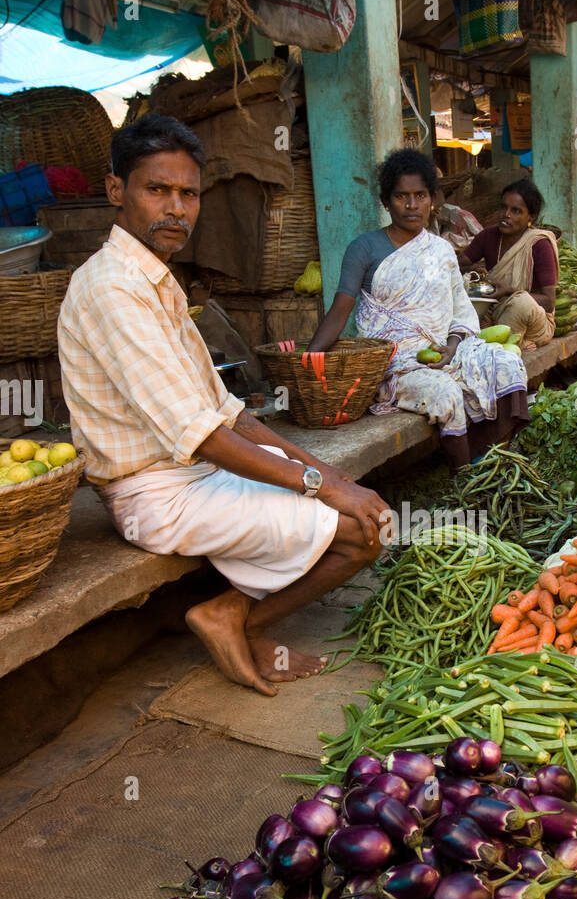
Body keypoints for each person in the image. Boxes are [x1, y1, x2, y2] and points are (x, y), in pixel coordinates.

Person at [57, 114, 388, 698]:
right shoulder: (111, 289)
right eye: (156, 189)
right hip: (155, 495)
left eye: (188, 193)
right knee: (365, 532)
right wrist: (324, 486)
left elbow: (230, 413)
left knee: (363, 507)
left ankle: (231, 612)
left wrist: (325, 472)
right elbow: (205, 436)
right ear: (117, 191)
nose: (176, 208)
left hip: (199, 475)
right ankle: (235, 618)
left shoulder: (156, 280)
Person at [309, 149, 529, 471]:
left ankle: (494, 461)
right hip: (396, 360)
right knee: (445, 393)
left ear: (432, 199)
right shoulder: (364, 248)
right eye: (401, 197)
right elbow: (341, 310)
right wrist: (308, 360)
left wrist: (451, 348)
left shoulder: (440, 250)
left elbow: (460, 310)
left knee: (509, 363)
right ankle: (464, 476)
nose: (412, 206)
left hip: (445, 349)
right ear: (386, 202)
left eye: (420, 195)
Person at [458, 178, 558, 349]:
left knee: (521, 303)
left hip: (534, 322)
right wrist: (471, 269)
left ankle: (509, 344)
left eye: (516, 211)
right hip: (494, 313)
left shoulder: (539, 245)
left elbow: (549, 301)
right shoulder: (488, 236)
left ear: (531, 217)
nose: (507, 214)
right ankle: (512, 342)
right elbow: (457, 264)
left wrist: (510, 292)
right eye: (504, 207)